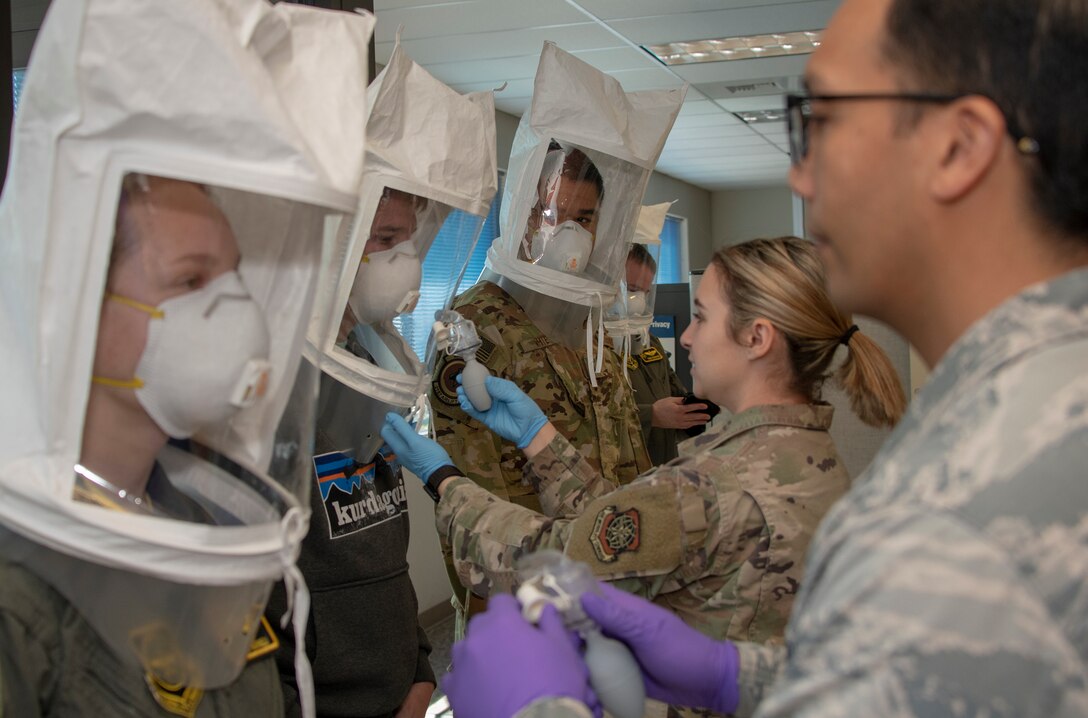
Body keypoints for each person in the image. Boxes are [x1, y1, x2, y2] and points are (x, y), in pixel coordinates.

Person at [431, 0, 1088, 714]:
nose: (801, 179)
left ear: (959, 147)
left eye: (823, 125)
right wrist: (736, 677)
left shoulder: (970, 494)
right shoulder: (1014, 422)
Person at [0, 2, 373, 716]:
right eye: (191, 280)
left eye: (234, 274)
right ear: (73, 294)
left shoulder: (211, 525)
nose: (237, 313)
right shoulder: (19, 590)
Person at [386, 236, 906, 716]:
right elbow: (623, 525)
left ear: (757, 337)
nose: (685, 335)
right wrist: (538, 438)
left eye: (702, 317)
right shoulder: (805, 457)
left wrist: (445, 481)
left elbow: (563, 554)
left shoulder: (719, 480)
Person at [429, 142, 653, 620]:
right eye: (553, 214)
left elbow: (627, 449)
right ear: (524, 219)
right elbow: (477, 498)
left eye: (585, 219)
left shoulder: (587, 322)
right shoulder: (476, 327)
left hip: (611, 586)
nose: (569, 233)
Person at [266, 189, 436, 718]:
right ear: (332, 243)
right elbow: (257, 601)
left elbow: (384, 547)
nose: (403, 260)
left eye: (408, 240)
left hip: (401, 687)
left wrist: (420, 668)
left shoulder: (372, 362)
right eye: (384, 240)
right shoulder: (277, 386)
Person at [619, 242, 710, 464]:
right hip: (623, 469)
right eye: (631, 290)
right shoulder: (587, 346)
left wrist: (697, 408)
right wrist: (652, 415)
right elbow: (589, 420)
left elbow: (674, 391)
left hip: (661, 465)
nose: (638, 301)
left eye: (645, 292)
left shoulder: (651, 343)